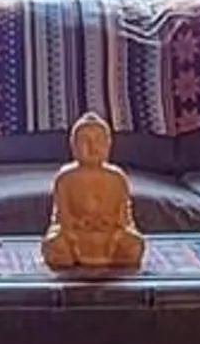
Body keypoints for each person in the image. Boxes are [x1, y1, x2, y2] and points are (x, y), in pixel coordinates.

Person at [42, 110, 145, 273]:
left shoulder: (117, 178)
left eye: (99, 141)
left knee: (132, 245)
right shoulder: (65, 178)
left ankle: (113, 255)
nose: (92, 147)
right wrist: (77, 225)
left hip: (109, 235)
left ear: (108, 145)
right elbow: (61, 219)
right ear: (74, 147)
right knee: (56, 246)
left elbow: (124, 218)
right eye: (85, 141)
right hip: (76, 235)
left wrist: (109, 224)